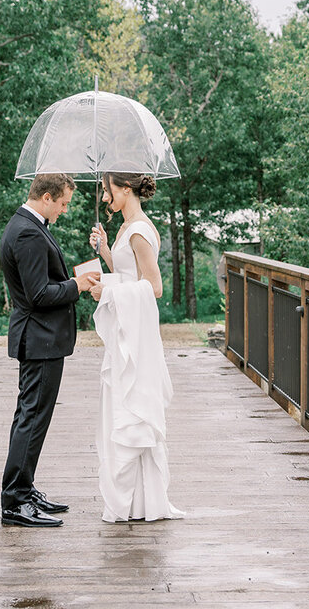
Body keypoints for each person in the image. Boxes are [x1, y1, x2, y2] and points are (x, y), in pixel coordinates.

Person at [0, 173, 100, 528]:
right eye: (63, 203)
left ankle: (23, 489)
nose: (64, 210)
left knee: (30, 416)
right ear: (45, 197)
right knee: (32, 418)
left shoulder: (28, 224)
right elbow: (38, 295)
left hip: (42, 339)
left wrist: (73, 279)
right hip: (39, 338)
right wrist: (76, 285)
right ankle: (15, 501)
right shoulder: (26, 231)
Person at [87, 172, 184, 523]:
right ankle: (132, 501)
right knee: (120, 407)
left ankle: (136, 499)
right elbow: (128, 275)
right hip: (124, 333)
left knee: (131, 407)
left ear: (125, 189)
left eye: (106, 190)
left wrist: (109, 292)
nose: (103, 197)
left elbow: (153, 287)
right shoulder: (127, 228)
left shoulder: (140, 230)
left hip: (138, 338)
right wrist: (105, 252)